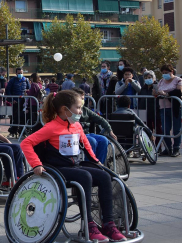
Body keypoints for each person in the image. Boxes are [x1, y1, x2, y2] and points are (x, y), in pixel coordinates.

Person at [20, 90, 127, 242]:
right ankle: (89, 225)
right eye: (78, 108)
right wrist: (36, 164)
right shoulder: (51, 127)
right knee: (85, 176)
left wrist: (96, 161)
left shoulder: (76, 125)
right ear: (65, 109)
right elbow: (26, 143)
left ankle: (109, 223)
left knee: (104, 175)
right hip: (58, 168)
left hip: (75, 165)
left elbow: (86, 144)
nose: (80, 112)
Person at [73, 88, 116, 164]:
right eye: (81, 98)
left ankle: (100, 166)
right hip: (75, 136)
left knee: (103, 140)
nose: (82, 100)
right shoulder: (68, 110)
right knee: (92, 141)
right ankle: (89, 165)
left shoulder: (85, 110)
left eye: (83, 98)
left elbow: (101, 119)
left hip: (87, 134)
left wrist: (110, 130)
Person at [154, 64, 182, 157]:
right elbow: (158, 91)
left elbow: (179, 92)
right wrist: (156, 93)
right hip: (163, 108)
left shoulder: (178, 80)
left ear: (172, 72)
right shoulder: (161, 81)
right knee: (165, 129)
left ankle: (176, 147)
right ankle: (168, 148)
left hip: (175, 107)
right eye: (163, 73)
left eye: (166, 72)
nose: (165, 74)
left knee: (176, 129)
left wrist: (167, 94)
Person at [138, 70, 162, 147]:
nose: (148, 79)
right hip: (145, 112)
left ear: (153, 78)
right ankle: (149, 146)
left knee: (158, 130)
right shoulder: (143, 88)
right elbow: (140, 99)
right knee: (147, 130)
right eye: (146, 77)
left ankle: (158, 147)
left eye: (149, 77)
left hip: (156, 112)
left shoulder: (157, 86)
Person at [6, 67, 30, 137]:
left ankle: (22, 131)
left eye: (21, 73)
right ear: (16, 73)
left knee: (23, 116)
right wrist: (11, 99)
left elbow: (29, 89)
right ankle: (13, 131)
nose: (20, 74)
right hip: (15, 102)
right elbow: (8, 90)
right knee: (14, 116)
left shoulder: (25, 80)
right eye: (18, 73)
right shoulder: (12, 80)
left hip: (23, 102)